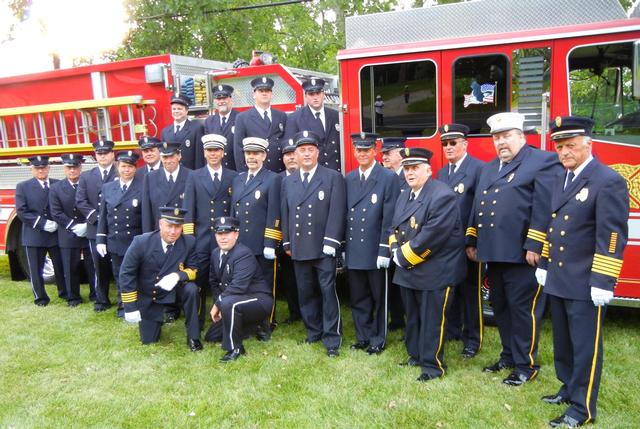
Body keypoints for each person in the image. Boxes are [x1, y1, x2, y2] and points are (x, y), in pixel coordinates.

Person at [537, 116, 628, 428]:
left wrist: (603, 280)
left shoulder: (607, 180)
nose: (564, 152)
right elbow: (555, 225)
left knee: (585, 347)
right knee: (563, 342)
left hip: (586, 279)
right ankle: (567, 386)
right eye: (559, 146)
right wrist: (546, 264)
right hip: (560, 278)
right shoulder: (563, 178)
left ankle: (582, 408)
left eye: (571, 145)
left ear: (589, 143)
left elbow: (612, 235)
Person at [466, 112, 562, 386]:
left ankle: (526, 365)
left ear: (521, 136)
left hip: (522, 255)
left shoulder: (542, 161)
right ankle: (508, 356)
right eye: (497, 138)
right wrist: (472, 239)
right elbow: (477, 206)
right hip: (494, 253)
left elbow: (546, 206)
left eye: (507, 136)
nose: (501, 142)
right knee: (501, 307)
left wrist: (535, 243)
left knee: (523, 311)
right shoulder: (488, 168)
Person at [389, 148, 466, 381]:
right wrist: (394, 249)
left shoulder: (442, 195)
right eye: (407, 168)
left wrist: (402, 257)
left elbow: (433, 236)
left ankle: (433, 366)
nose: (410, 173)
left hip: (435, 270)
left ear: (428, 170)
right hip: (410, 269)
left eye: (415, 168)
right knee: (413, 317)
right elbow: (395, 227)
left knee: (432, 320)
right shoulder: (406, 194)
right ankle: (416, 355)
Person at [281, 130, 346, 357]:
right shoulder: (289, 181)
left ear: (318, 152)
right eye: (302, 150)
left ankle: (332, 338)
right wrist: (287, 242)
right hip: (299, 246)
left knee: (327, 292)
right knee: (305, 292)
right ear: (295, 155)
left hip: (323, 247)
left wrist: (332, 241)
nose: (306, 154)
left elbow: (337, 211)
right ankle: (313, 331)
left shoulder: (332, 177)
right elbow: (286, 212)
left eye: (310, 150)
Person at [345, 133, 400, 355]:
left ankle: (378, 338)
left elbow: (390, 217)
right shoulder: (348, 178)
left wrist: (384, 249)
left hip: (376, 249)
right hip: (355, 249)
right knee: (358, 297)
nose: (362, 154)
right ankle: (362, 336)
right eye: (358, 150)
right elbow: (344, 213)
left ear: (374, 152)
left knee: (379, 298)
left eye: (366, 150)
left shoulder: (387, 177)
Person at [119, 207, 202, 351]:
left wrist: (177, 275)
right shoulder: (141, 242)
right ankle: (157, 319)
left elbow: (195, 269)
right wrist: (130, 307)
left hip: (175, 292)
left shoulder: (188, 242)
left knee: (192, 289)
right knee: (149, 341)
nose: (173, 231)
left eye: (177, 227)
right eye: (169, 226)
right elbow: (127, 273)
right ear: (160, 224)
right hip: (152, 295)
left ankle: (193, 337)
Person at [436, 124, 485, 358]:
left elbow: (478, 209)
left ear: (465, 143)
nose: (448, 147)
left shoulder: (478, 169)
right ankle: (453, 330)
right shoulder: (441, 173)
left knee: (470, 292)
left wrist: (472, 240)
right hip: (446, 244)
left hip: (468, 244)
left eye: (453, 143)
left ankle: (472, 339)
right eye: (444, 144)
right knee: (450, 287)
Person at [183, 134, 238, 332]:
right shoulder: (194, 176)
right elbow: (188, 209)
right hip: (202, 241)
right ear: (204, 153)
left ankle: (224, 319)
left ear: (223, 152)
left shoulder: (233, 176)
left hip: (225, 240)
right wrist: (190, 239)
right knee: (199, 284)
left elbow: (234, 208)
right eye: (209, 150)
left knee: (226, 282)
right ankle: (196, 321)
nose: (213, 154)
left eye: (217, 150)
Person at [231, 137, 283, 335]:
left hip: (262, 244)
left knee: (265, 286)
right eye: (248, 154)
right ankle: (248, 319)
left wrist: (270, 242)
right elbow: (234, 213)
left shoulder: (272, 179)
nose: (251, 157)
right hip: (241, 244)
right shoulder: (238, 179)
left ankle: (267, 322)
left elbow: (274, 212)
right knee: (244, 285)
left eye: (256, 154)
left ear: (264, 155)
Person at [208, 216, 274, 362]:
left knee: (228, 304)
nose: (223, 238)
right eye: (219, 234)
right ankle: (253, 325)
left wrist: (217, 305)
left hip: (258, 299)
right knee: (211, 337)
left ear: (236, 234)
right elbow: (214, 283)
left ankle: (235, 348)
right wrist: (218, 303)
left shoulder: (243, 253)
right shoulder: (214, 253)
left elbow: (237, 287)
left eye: (227, 233)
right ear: (215, 235)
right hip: (234, 300)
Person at [96, 150, 143, 317]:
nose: (127, 170)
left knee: (137, 274)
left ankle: (138, 305)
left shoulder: (143, 186)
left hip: (135, 240)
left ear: (135, 168)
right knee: (119, 275)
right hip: (115, 240)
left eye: (130, 167)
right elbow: (103, 216)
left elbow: (146, 217)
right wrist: (100, 240)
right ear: (117, 166)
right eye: (123, 166)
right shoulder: (108, 188)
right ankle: (123, 306)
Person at [15, 155, 66, 306]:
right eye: (37, 168)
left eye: (44, 167)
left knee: (60, 266)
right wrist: (42, 223)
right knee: (36, 270)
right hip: (35, 234)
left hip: (55, 233)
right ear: (32, 169)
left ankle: (64, 293)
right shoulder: (23, 186)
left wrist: (58, 222)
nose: (41, 170)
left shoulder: (58, 184)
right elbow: (21, 211)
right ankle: (41, 298)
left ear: (49, 168)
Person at [76, 139, 117, 312]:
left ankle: (124, 300)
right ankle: (101, 300)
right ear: (95, 155)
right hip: (95, 229)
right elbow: (81, 201)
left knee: (118, 265)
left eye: (106, 153)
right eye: (99, 154)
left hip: (117, 228)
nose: (103, 156)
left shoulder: (122, 171)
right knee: (98, 266)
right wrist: (98, 219)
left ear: (112, 154)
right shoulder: (86, 176)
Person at [49, 154, 95, 306]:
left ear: (80, 168)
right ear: (64, 169)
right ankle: (73, 297)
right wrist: (73, 227)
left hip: (88, 230)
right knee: (70, 267)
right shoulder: (56, 188)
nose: (72, 170)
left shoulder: (88, 184)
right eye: (69, 167)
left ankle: (96, 294)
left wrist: (87, 225)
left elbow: (94, 205)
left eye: (75, 167)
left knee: (92, 266)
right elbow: (56, 212)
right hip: (68, 232)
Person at [380, 137, 409, 331]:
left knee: (405, 284)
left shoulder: (407, 175)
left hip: (406, 238)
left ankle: (408, 320)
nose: (384, 157)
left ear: (400, 153)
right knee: (391, 281)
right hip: (390, 238)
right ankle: (397, 319)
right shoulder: (386, 176)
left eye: (387, 153)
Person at [284, 78, 342, 172]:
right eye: (311, 94)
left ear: (323, 94)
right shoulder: (294, 118)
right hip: (311, 171)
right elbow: (292, 148)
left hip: (335, 169)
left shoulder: (336, 115)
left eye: (318, 93)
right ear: (306, 96)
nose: (315, 97)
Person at [233, 76, 287, 173]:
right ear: (254, 94)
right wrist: (243, 174)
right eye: (260, 90)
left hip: (279, 172)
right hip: (255, 172)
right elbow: (238, 148)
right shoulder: (242, 118)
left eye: (267, 90)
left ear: (271, 94)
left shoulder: (282, 116)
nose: (264, 93)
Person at [141, 141, 191, 233]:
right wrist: (147, 236)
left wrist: (190, 234)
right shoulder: (150, 178)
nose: (168, 161)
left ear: (179, 156)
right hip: (160, 233)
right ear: (160, 157)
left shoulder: (191, 176)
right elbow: (146, 213)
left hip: (182, 231)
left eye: (171, 156)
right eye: (165, 157)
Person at [278, 139, 301, 323]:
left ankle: (310, 310)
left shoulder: (306, 176)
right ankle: (294, 312)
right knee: (289, 276)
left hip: (304, 236)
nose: (291, 158)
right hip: (282, 235)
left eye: (294, 154)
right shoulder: (276, 180)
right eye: (287, 154)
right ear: (283, 158)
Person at [160, 94, 204, 170]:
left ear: (186, 111)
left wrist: (198, 176)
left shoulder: (196, 128)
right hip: (172, 174)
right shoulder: (165, 131)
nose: (176, 111)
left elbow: (199, 157)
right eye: (174, 109)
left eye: (179, 109)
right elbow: (163, 156)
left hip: (190, 174)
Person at [204, 84, 238, 170]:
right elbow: (206, 149)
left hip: (234, 168)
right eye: (218, 99)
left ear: (230, 99)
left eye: (224, 98)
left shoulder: (240, 118)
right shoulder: (209, 121)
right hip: (216, 169)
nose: (221, 101)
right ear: (215, 101)